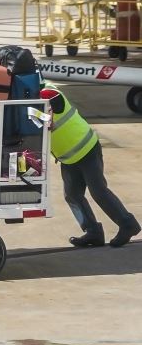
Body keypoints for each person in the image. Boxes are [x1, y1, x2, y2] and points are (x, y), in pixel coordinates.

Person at [41, 83, 140, 248]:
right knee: (72, 195)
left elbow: (49, 110)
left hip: (86, 149)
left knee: (98, 191)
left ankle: (128, 224)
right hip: (69, 158)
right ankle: (93, 232)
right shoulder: (32, 100)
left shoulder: (49, 93)